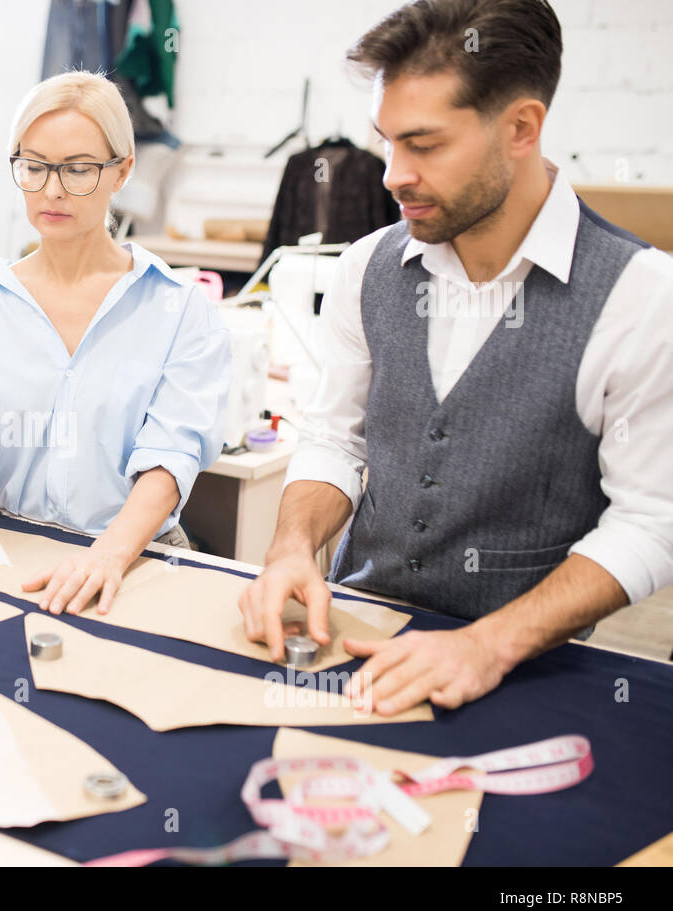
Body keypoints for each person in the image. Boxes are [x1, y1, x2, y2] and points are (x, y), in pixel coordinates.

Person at [239, 0, 673, 715]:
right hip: (352, 639)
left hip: (526, 672)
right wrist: (291, 547)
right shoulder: (365, 268)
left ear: (521, 129)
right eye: (387, 141)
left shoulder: (641, 297)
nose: (390, 175)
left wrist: (489, 644)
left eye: (424, 145)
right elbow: (333, 439)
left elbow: (651, 521)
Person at [0, 70, 231, 617]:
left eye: (79, 169)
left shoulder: (178, 307)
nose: (52, 190)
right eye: (34, 167)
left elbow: (171, 455)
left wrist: (108, 555)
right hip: (6, 551)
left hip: (132, 560)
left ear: (122, 171)